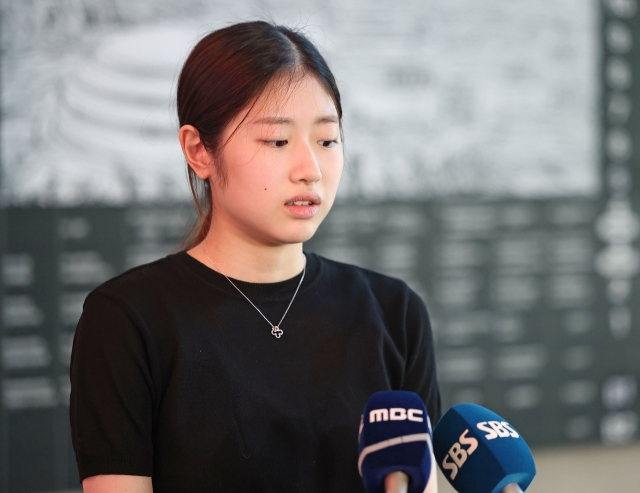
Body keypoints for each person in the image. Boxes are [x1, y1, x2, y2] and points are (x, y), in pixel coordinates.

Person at [69, 20, 440, 493]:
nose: (310, 170)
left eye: (327, 140)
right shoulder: (128, 320)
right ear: (199, 150)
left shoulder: (396, 313)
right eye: (277, 141)